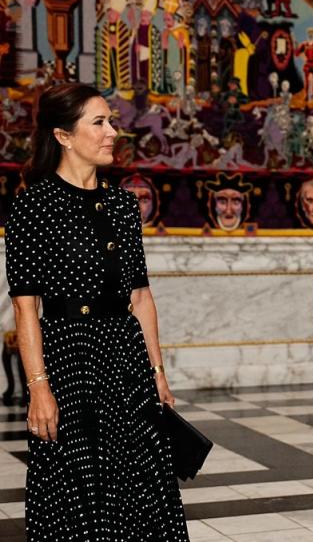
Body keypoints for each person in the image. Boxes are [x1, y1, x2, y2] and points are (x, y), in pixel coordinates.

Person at [5, 83, 188, 539]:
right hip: (71, 361)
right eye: (99, 123)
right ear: (64, 136)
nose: (113, 133)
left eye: (112, 122)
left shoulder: (123, 205)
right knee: (82, 488)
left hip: (125, 358)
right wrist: (38, 389)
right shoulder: (33, 206)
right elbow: (26, 311)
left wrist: (158, 371)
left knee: (143, 481)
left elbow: (141, 298)